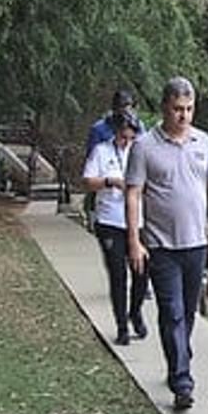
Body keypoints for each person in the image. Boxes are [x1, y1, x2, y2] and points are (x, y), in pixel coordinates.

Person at [126, 78, 208, 412]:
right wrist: (135, 240)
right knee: (172, 312)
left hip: (197, 243)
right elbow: (133, 193)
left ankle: (179, 357)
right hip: (162, 245)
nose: (184, 115)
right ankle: (182, 381)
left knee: (188, 313)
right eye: (178, 109)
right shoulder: (145, 146)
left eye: (189, 109)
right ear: (165, 107)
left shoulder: (203, 142)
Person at [81, 109, 147, 344]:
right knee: (118, 275)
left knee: (141, 273)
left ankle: (135, 311)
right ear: (115, 133)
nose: (126, 142)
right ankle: (121, 326)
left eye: (131, 138)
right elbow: (88, 181)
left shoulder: (141, 151)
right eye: (123, 137)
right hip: (110, 221)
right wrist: (110, 181)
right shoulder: (101, 151)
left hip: (137, 222)